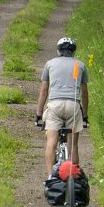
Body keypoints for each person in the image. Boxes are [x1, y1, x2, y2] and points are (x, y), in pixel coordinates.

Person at [36, 37, 89, 177]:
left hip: (55, 105)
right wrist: (85, 116)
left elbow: (44, 91)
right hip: (73, 106)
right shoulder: (80, 65)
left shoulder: (50, 64)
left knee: (51, 143)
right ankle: (74, 178)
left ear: (58, 50)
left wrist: (39, 114)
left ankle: (50, 178)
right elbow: (84, 93)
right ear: (73, 51)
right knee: (73, 146)